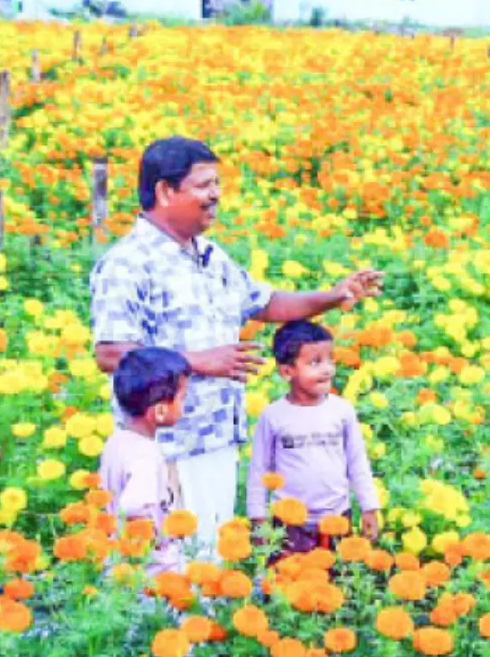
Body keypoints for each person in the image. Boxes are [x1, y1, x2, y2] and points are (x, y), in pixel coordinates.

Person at [90, 136, 383, 558]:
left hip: (216, 440)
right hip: (168, 446)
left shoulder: (208, 254)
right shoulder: (127, 263)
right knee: (166, 569)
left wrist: (334, 296)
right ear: (165, 191)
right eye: (204, 185)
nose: (216, 195)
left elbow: (264, 302)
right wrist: (198, 363)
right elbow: (112, 353)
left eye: (217, 184)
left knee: (207, 561)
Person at [246, 321, 380, 560]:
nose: (327, 369)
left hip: (337, 516)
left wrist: (369, 507)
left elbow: (357, 463)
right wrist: (258, 519)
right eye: (315, 362)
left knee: (336, 583)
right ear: (287, 371)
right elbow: (259, 470)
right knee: (289, 584)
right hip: (289, 523)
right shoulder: (273, 416)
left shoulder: (342, 411)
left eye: (330, 360)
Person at [97, 347, 190, 575]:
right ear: (159, 410)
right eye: (182, 398)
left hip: (118, 565)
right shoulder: (146, 455)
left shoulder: (116, 442)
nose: (184, 406)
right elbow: (135, 506)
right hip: (151, 574)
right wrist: (155, 540)